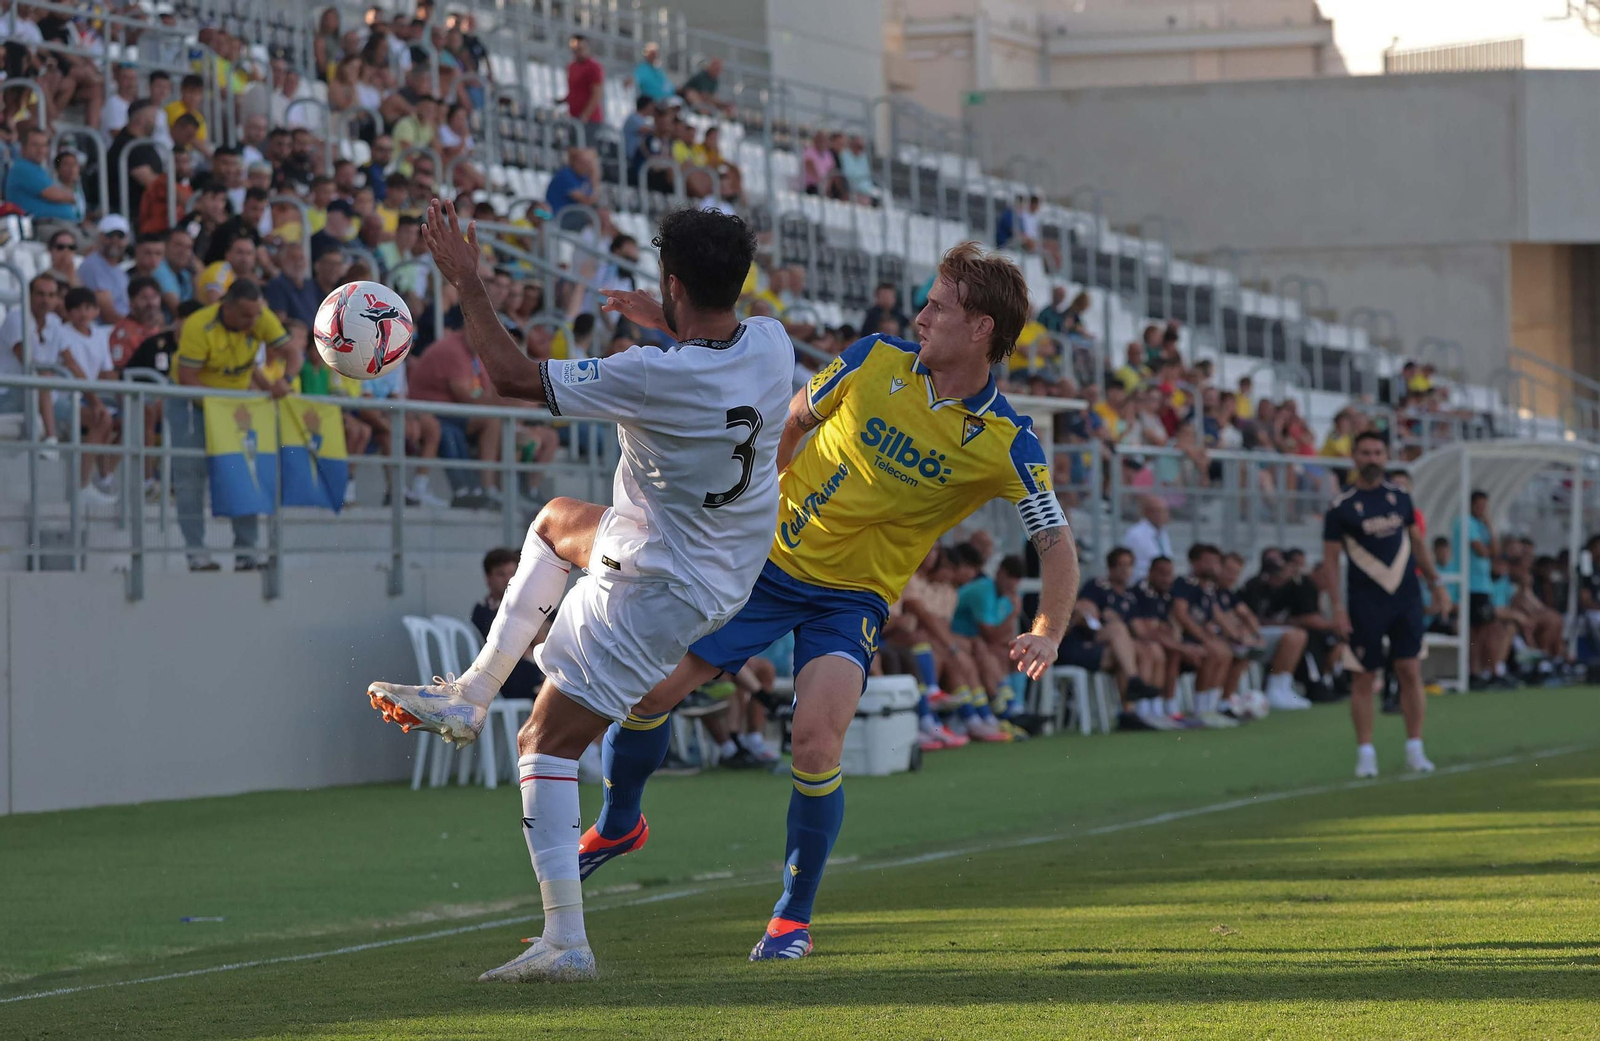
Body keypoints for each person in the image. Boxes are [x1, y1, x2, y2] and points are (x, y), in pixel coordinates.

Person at [570, 242, 1078, 962]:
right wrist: (753, 504)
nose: (921, 314)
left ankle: (791, 919)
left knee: (814, 740)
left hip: (853, 600)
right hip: (764, 565)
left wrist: (1047, 628)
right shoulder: (872, 359)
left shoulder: (1008, 442)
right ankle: (620, 821)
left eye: (939, 305)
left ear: (982, 329)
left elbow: (1055, 542)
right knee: (649, 693)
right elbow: (792, 419)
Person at [365, 200, 789, 983]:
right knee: (557, 520)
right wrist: (662, 322)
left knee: (545, 743)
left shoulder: (650, 375)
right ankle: (469, 691)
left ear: (671, 282)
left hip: (660, 582)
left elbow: (512, 377)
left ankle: (566, 940)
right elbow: (705, 355)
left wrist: (469, 281)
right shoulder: (771, 340)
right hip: (726, 560)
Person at [1322, 431, 1451, 778]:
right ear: (1354, 457)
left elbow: (1418, 544)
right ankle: (1365, 754)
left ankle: (1415, 748)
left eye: (1378, 452)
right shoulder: (1340, 506)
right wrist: (1337, 607)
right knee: (1364, 677)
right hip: (1365, 600)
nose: (1372, 459)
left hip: (1406, 597)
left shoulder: (1401, 498)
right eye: (1365, 452)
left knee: (1410, 670)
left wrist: (1436, 584)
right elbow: (1331, 561)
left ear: (1386, 455)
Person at [170, 279, 291, 571]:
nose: (253, 322)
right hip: (193, 406)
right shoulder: (199, 325)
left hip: (236, 408)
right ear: (226, 307)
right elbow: (188, 377)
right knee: (191, 481)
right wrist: (219, 407)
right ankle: (196, 554)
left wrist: (282, 382)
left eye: (256, 314)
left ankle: (246, 554)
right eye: (246, 315)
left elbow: (293, 353)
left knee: (244, 476)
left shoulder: (260, 317)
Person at [1066, 547, 1168, 731]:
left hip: (1114, 652)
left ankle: (1135, 711)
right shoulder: (1097, 586)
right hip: (1087, 646)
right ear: (1111, 568)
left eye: (1129, 566)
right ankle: (1135, 686)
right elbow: (1083, 612)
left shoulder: (1129, 596)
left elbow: (1138, 630)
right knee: (1118, 631)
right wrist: (1103, 618)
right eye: (1120, 566)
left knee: (1147, 649)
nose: (1125, 570)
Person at [46, 287, 119, 506]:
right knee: (100, 419)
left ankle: (105, 476)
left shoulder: (99, 334)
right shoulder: (61, 332)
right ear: (67, 312)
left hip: (88, 397)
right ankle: (83, 485)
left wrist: (124, 396)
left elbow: (106, 372)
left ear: (97, 311)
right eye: (76, 309)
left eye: (88, 308)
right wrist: (96, 403)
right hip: (60, 398)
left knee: (129, 418)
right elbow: (73, 367)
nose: (82, 313)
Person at [470, 547, 546, 701]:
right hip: (505, 678)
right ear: (488, 578)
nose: (508, 579)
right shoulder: (484, 610)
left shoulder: (527, 604)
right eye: (501, 574)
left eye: (512, 574)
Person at [4, 126, 78, 221]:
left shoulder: (36, 168)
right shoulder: (23, 168)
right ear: (23, 147)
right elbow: (54, 194)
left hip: (58, 225)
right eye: (35, 145)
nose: (41, 150)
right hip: (42, 226)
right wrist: (73, 197)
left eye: (44, 145)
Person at [77, 215, 132, 323]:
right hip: (108, 332)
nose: (115, 240)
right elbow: (108, 315)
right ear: (100, 237)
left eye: (120, 236)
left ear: (126, 240)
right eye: (110, 235)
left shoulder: (119, 270)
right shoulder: (93, 265)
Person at [1124, 495, 1174, 583]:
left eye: (1163, 511)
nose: (1161, 515)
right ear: (1146, 512)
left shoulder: (1162, 533)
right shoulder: (1135, 534)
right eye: (1157, 511)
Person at [564, 34, 604, 140]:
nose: (578, 52)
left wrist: (585, 115)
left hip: (589, 119)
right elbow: (574, 91)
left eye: (581, 48)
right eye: (575, 49)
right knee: (573, 151)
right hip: (573, 117)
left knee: (586, 153)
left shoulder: (593, 67)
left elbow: (596, 94)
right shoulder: (571, 67)